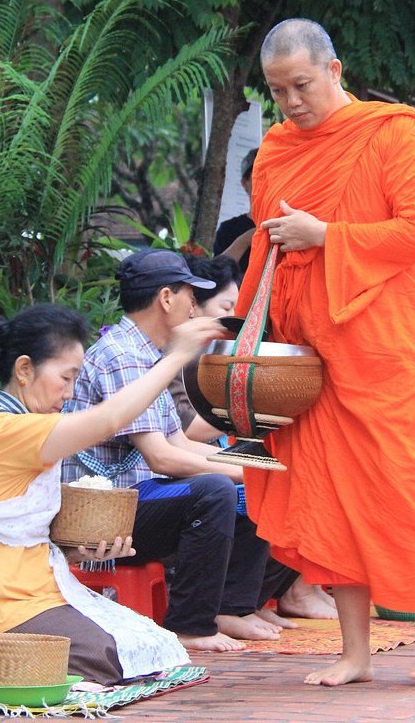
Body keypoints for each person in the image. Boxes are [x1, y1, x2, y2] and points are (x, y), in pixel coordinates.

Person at [236, 18, 415, 685]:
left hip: (385, 335)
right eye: (278, 91)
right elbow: (264, 243)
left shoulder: (392, 131)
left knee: (402, 477)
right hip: (310, 344)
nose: (291, 102)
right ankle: (355, 651)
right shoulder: (277, 148)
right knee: (330, 493)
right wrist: (246, 318)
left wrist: (326, 233)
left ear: (334, 70)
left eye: (301, 85)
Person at [0, 304, 224, 681]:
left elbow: (23, 533)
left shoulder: (24, 425)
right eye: (66, 378)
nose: (69, 393)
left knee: (151, 651)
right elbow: (110, 419)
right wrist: (178, 355)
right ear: (24, 369)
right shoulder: (8, 430)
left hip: (25, 594)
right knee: (111, 658)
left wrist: (76, 551)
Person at [62, 249, 291, 652]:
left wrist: (256, 466)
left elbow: (180, 442)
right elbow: (162, 458)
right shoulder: (123, 355)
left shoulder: (145, 353)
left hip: (141, 497)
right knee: (217, 491)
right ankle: (190, 625)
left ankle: (231, 609)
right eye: (190, 295)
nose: (193, 307)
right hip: (103, 514)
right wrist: (248, 472)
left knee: (250, 478)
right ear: (166, 298)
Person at [170, 253, 339, 623]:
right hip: (186, 465)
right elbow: (187, 430)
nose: (233, 322)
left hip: (214, 455)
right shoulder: (179, 358)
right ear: (194, 308)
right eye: (226, 308)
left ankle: (271, 595)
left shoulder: (216, 354)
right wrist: (255, 402)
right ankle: (239, 605)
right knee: (267, 483)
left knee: (311, 470)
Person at [212, 149, 259, 271]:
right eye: (259, 174)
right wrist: (246, 239)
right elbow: (216, 274)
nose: (266, 180)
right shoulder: (228, 229)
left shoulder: (289, 223)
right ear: (245, 183)